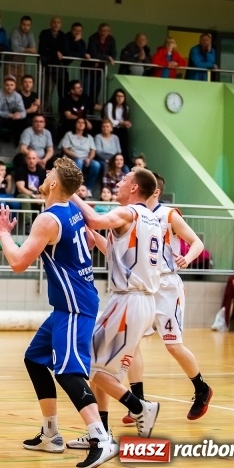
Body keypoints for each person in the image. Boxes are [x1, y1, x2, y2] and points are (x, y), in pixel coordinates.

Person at [0, 156, 117, 468]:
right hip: (69, 304)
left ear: (55, 183)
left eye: (49, 172)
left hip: (75, 306)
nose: (45, 174)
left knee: (67, 372)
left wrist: (3, 232)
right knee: (35, 359)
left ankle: (100, 438)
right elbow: (85, 235)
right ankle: (50, 434)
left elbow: (18, 263)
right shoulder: (72, 207)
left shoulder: (48, 219)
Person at [68, 167, 162, 441]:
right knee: (100, 367)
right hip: (140, 301)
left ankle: (140, 407)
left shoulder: (129, 212)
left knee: (90, 366)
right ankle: (102, 432)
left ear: (134, 188)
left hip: (129, 301)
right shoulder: (150, 219)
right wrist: (94, 236)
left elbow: (95, 219)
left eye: (123, 180)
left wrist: (71, 193)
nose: (118, 183)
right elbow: (116, 253)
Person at [120, 173, 213, 425]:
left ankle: (202, 388)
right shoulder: (134, 214)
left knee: (173, 345)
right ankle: (138, 403)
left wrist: (187, 258)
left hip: (166, 286)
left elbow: (196, 242)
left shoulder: (169, 215)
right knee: (132, 343)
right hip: (143, 285)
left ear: (155, 191)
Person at [59, 118, 100, 195]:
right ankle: (77, 187)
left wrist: (89, 158)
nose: (81, 124)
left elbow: (93, 151)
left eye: (83, 123)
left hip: (85, 159)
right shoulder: (69, 134)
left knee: (96, 165)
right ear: (75, 124)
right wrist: (76, 155)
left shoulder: (89, 137)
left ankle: (88, 189)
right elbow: (65, 149)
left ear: (85, 125)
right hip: (72, 158)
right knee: (79, 162)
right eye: (79, 122)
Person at [0, 75, 26, 155]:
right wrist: (10, 115)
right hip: (1, 117)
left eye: (11, 85)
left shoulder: (17, 96)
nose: (9, 87)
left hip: (13, 119)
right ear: (4, 85)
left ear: (15, 86)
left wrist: (19, 115)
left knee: (22, 122)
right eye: (7, 85)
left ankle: (19, 147)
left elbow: (24, 112)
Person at [82, 23, 116, 102]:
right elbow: (93, 53)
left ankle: (93, 107)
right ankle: (85, 106)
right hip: (88, 67)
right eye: (102, 30)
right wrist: (107, 57)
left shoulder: (111, 40)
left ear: (109, 32)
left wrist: (103, 57)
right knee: (86, 90)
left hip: (100, 69)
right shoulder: (93, 38)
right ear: (98, 31)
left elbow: (113, 55)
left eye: (106, 31)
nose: (104, 33)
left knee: (96, 90)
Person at [38, 16, 66, 108]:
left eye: (58, 22)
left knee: (56, 92)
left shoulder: (62, 35)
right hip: (46, 67)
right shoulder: (45, 33)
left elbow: (64, 50)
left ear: (61, 25)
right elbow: (43, 48)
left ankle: (49, 111)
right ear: (50, 24)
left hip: (57, 68)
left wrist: (53, 51)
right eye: (54, 22)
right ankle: (44, 112)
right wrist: (55, 52)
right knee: (45, 91)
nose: (56, 24)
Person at [8, 15, 37, 83]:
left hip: (21, 63)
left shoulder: (30, 34)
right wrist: (28, 49)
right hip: (9, 63)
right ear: (20, 24)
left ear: (30, 26)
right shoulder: (15, 32)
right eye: (24, 24)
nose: (26, 27)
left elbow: (34, 49)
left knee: (20, 85)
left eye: (28, 25)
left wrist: (23, 49)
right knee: (10, 84)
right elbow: (15, 48)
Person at [103, 89, 131, 157]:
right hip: (112, 129)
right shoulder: (110, 105)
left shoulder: (126, 107)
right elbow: (110, 119)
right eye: (118, 96)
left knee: (124, 145)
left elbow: (125, 120)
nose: (120, 98)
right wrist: (121, 123)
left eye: (122, 96)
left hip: (122, 129)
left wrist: (127, 124)